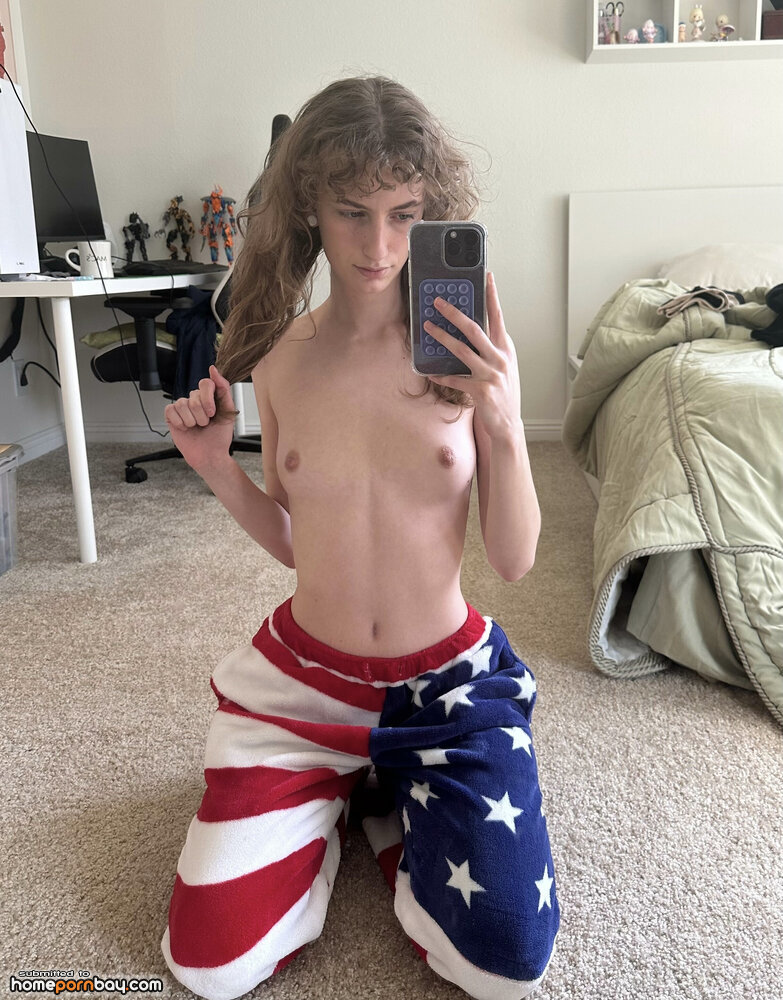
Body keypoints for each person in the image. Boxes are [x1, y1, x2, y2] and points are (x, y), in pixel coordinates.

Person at [161, 75, 559, 1000]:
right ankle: (347, 797)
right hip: (306, 684)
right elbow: (302, 542)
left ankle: (379, 803)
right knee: (207, 966)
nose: (378, 246)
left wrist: (502, 420)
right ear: (310, 204)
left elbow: (514, 561)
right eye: (351, 213)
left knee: (506, 963)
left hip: (446, 686)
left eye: (404, 215)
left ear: (432, 213)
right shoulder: (280, 360)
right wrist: (219, 469)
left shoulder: (466, 355)